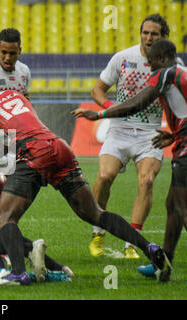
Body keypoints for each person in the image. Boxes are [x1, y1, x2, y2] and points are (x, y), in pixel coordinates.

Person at [0, 84, 170, 285]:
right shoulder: (13, 94)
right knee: (95, 213)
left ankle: (18, 274)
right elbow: (9, 141)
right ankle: (149, 248)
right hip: (59, 147)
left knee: (4, 219)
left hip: (34, 154)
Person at [73, 39, 186, 282]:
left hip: (178, 145)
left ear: (164, 59)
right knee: (173, 207)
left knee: (182, 208)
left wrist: (99, 114)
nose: (150, 70)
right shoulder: (180, 74)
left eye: (153, 64)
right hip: (174, 140)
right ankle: (163, 264)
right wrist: (176, 134)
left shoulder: (165, 74)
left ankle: (144, 250)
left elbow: (136, 104)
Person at [88, 14, 170, 259]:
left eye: (154, 34)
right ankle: (97, 232)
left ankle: (131, 244)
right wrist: (108, 108)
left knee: (146, 181)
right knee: (104, 176)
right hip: (119, 129)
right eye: (145, 33)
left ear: (163, 37)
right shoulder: (123, 58)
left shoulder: (173, 68)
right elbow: (97, 89)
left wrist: (174, 129)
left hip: (151, 133)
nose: (148, 38)